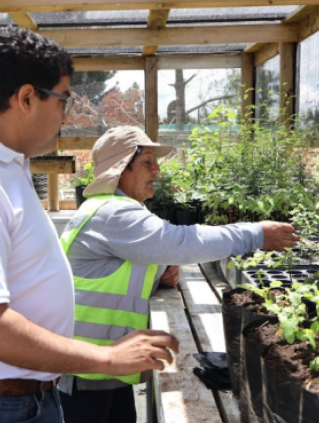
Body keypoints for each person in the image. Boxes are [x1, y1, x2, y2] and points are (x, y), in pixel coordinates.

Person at [0, 27, 179, 423]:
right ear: (26, 98)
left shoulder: (5, 168)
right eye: (63, 99)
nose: (66, 115)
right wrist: (106, 357)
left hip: (16, 400)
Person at [58, 126, 300, 423]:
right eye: (147, 162)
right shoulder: (113, 213)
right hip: (86, 368)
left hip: (104, 363)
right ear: (120, 169)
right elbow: (179, 242)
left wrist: (158, 271)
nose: (157, 171)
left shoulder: (108, 209)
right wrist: (255, 234)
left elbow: (123, 266)